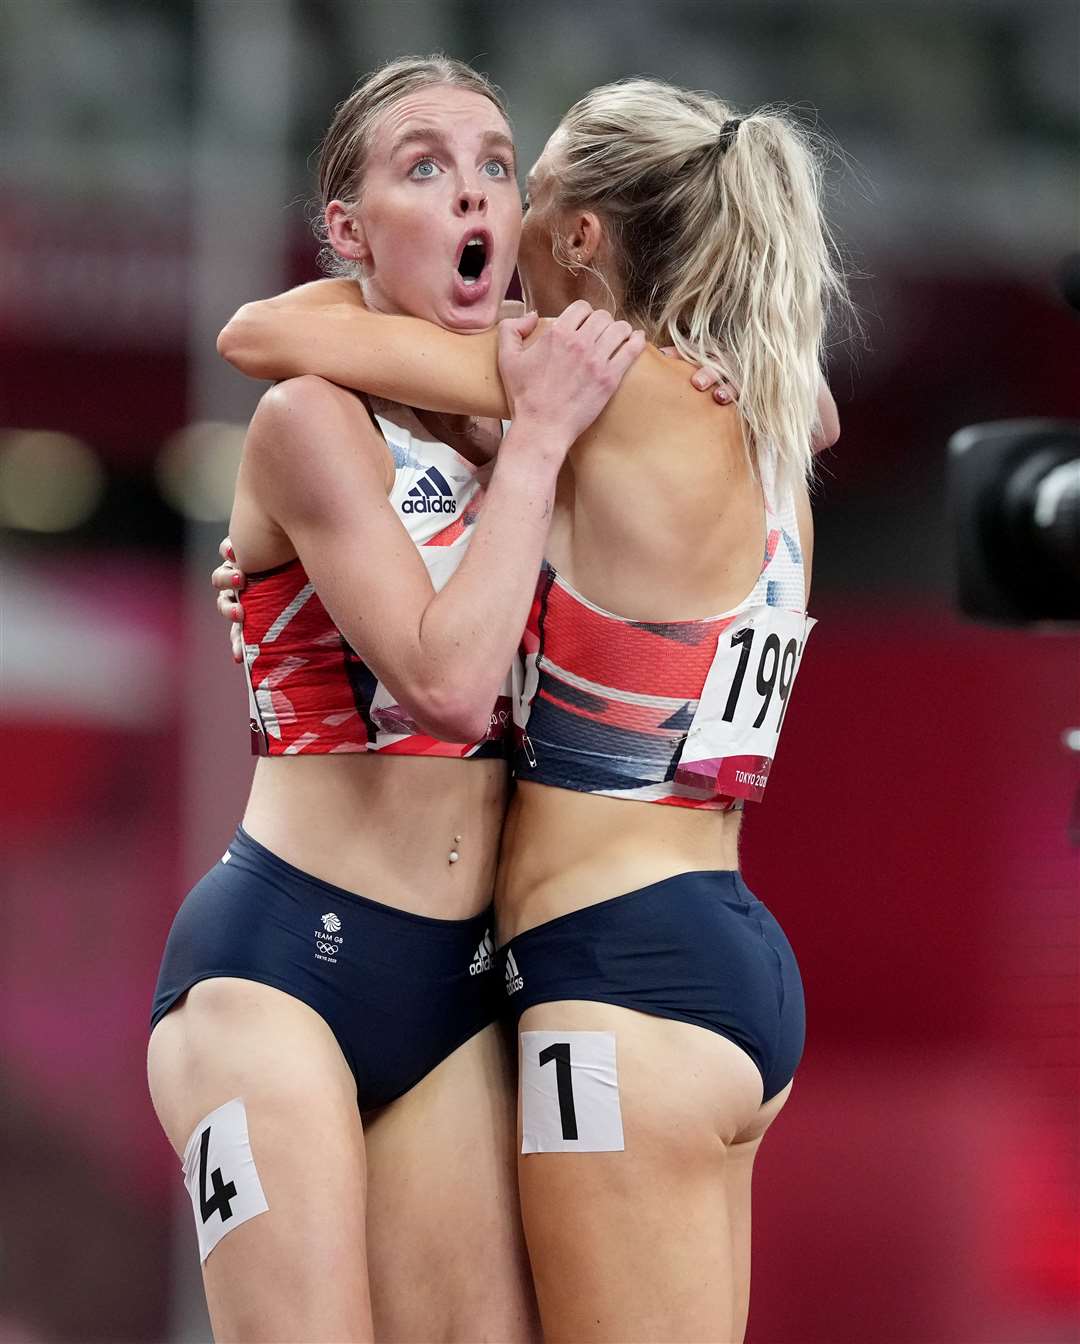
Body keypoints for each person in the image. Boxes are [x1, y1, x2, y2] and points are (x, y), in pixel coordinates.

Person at [217, 79, 848, 1344]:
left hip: (612, 983)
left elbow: (264, 337)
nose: (493, 210)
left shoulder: (592, 397)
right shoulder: (770, 409)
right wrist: (305, 573)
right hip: (728, 953)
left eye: (522, 174)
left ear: (576, 235)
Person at [147, 55, 646, 1344]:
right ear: (352, 236)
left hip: (457, 982)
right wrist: (536, 447)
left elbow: (794, 412)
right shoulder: (314, 419)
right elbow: (446, 684)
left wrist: (538, 425)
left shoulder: (538, 406)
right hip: (274, 975)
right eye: (425, 167)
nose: (475, 191)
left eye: (495, 163)